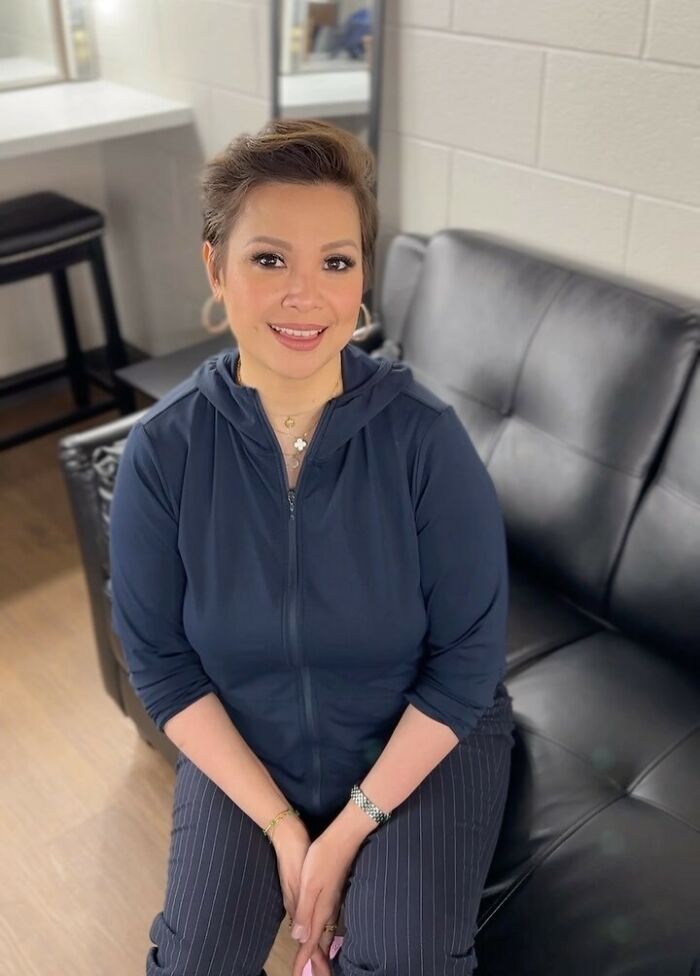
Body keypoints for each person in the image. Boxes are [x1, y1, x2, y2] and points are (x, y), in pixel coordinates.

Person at [109, 117, 516, 976]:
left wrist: (346, 836)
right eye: (268, 259)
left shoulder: (425, 440)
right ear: (215, 266)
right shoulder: (165, 452)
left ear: (363, 279)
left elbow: (469, 663)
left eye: (336, 261)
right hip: (252, 742)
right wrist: (283, 826)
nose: (307, 294)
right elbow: (162, 663)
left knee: (404, 959)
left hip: (422, 737)